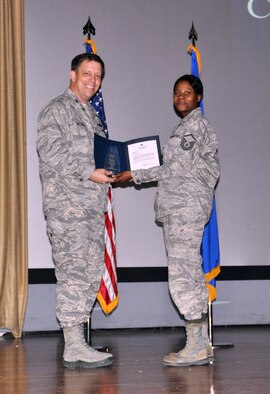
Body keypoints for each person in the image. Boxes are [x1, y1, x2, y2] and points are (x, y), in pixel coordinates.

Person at [113, 75, 220, 367]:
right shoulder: (185, 128)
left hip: (186, 210)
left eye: (188, 93)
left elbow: (173, 168)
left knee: (183, 275)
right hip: (182, 208)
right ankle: (200, 344)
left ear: (199, 98)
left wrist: (133, 174)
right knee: (190, 274)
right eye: (177, 93)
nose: (182, 97)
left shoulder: (195, 127)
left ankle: (196, 346)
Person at [37, 53, 114, 369]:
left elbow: (101, 159)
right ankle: (72, 344)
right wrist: (89, 171)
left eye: (98, 76)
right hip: (68, 209)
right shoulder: (57, 110)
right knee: (72, 274)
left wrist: (114, 170)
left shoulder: (92, 116)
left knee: (89, 273)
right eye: (87, 74)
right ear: (72, 75)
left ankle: (79, 342)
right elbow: (51, 152)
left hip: (92, 209)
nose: (92, 81)